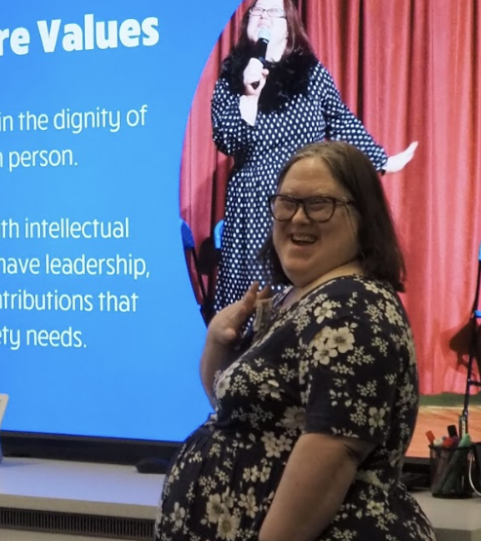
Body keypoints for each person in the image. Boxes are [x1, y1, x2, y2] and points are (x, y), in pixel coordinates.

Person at [155, 141, 436, 541]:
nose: (298, 218)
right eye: (287, 202)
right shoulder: (299, 300)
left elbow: (334, 452)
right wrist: (218, 343)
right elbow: (237, 414)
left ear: (363, 215)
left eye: (319, 204)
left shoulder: (352, 306)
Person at [211, 0, 418, 316]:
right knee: (251, 303)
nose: (263, 17)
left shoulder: (311, 74)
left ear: (288, 26)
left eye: (272, 13)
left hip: (301, 198)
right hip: (252, 203)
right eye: (257, 12)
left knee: (295, 296)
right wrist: (248, 96)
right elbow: (227, 140)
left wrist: (382, 160)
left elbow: (340, 120)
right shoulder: (231, 78)